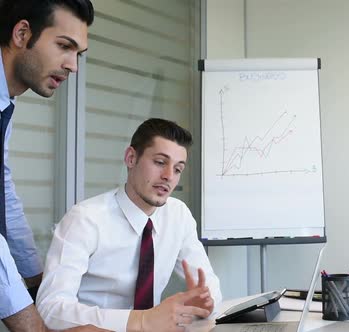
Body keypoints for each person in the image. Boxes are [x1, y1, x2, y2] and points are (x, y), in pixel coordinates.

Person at [37, 118, 223, 331]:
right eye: (160, 162)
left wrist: (206, 304)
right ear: (131, 158)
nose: (168, 176)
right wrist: (139, 321)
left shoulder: (178, 215)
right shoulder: (85, 219)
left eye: (178, 169)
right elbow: (50, 309)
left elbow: (208, 286)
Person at [0, 0, 108, 331]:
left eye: (79, 53)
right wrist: (35, 327)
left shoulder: (5, 104)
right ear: (22, 33)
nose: (73, 65)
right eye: (64, 46)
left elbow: (2, 194)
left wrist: (38, 284)